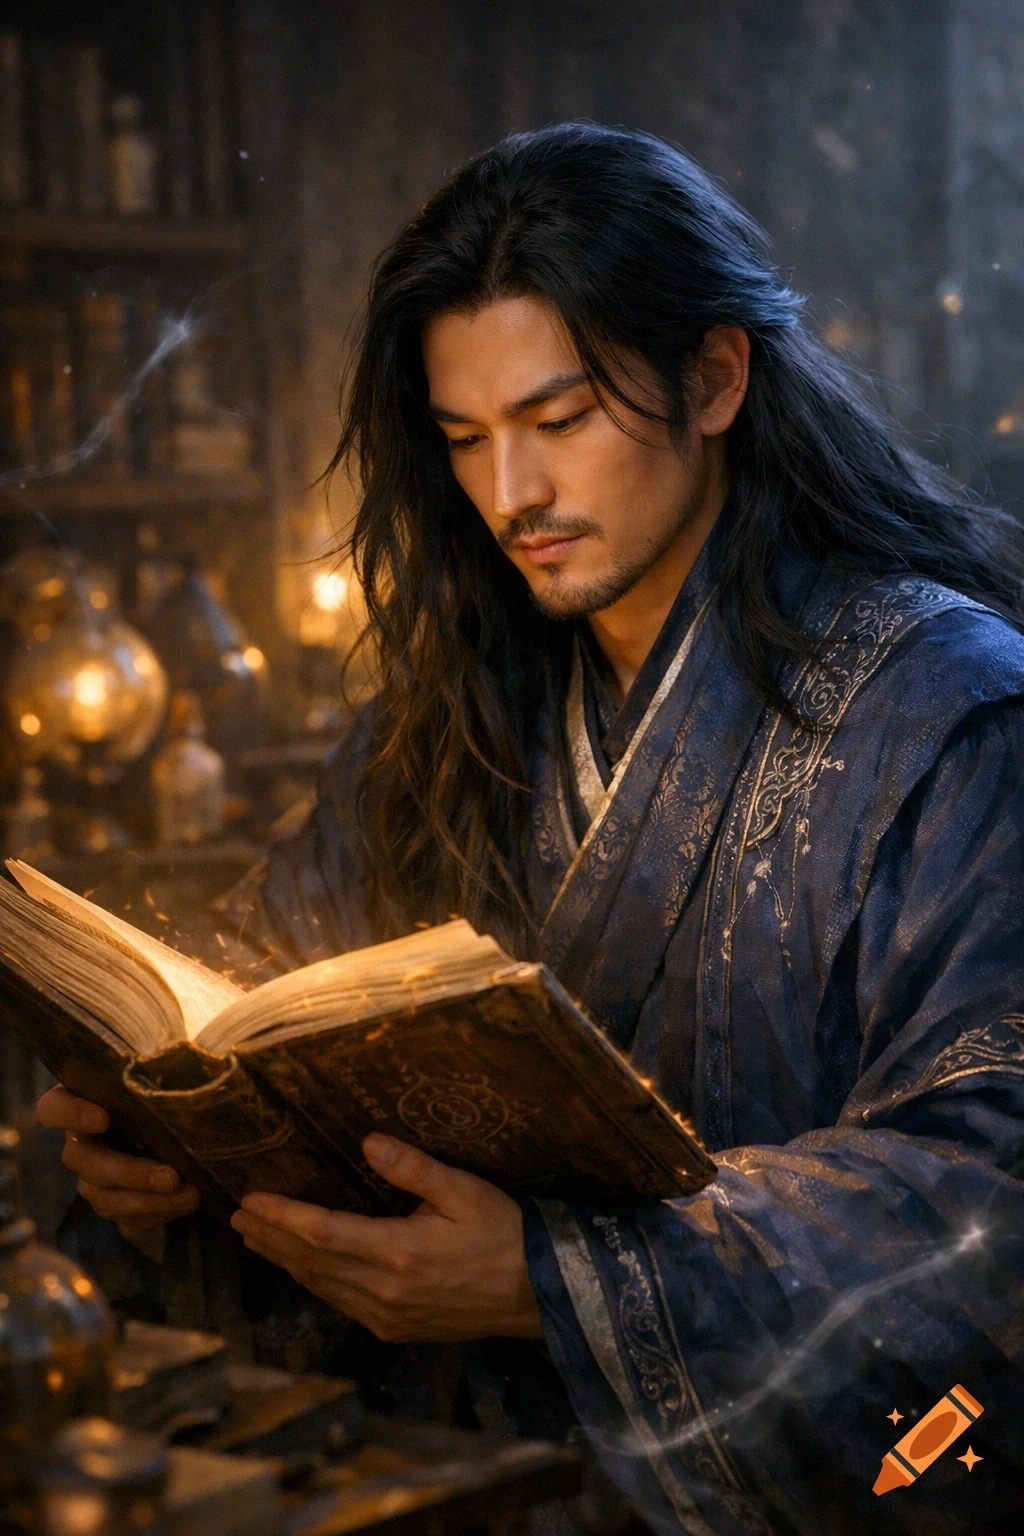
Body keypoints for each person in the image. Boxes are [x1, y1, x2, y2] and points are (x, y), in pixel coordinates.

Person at [37, 125, 1024, 1535]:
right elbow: (256, 993)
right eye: (465, 440)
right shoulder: (443, 723)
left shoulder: (951, 712)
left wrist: (554, 1279)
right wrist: (156, 1151)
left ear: (717, 376)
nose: (512, 497)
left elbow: (985, 1197)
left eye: (558, 423)